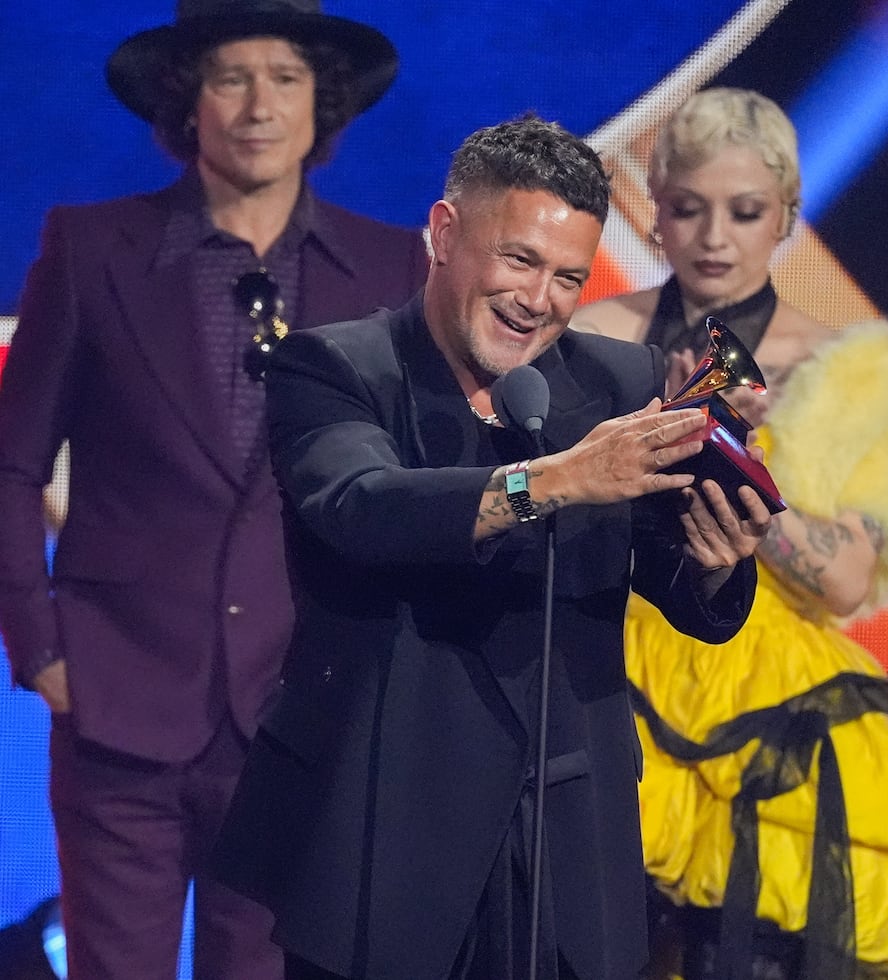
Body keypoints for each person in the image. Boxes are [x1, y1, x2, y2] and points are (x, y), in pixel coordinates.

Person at [211, 114, 774, 980]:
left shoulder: (612, 380)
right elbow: (361, 507)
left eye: (568, 277)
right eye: (519, 260)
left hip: (563, 841)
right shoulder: (336, 369)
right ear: (444, 234)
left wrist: (713, 558)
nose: (539, 299)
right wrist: (552, 480)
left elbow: (657, 566)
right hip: (385, 833)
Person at [0, 1, 429, 977]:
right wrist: (40, 649)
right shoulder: (92, 247)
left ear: (323, 99)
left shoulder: (388, 267)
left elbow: (406, 492)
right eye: (230, 77)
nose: (258, 104)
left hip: (297, 713)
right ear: (184, 100)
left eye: (284, 77)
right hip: (116, 704)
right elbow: (12, 464)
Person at [573, 87, 888, 979]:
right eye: (690, 209)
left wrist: (741, 456)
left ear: (786, 219)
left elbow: (844, 580)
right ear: (656, 207)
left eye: (745, 212)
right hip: (606, 659)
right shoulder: (594, 336)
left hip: (766, 701)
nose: (716, 237)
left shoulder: (851, 372)